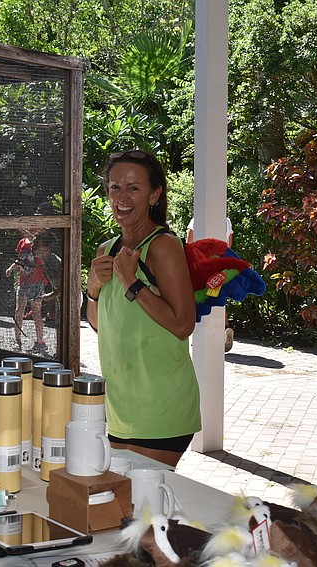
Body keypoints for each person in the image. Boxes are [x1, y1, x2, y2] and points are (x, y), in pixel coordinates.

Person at [85, 150, 200, 467]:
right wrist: (92, 290)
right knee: (127, 507)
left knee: (140, 505)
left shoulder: (163, 246)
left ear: (154, 194)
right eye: (114, 187)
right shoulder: (106, 249)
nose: (121, 197)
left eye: (133, 188)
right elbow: (98, 323)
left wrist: (133, 283)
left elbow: (183, 324)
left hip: (160, 406)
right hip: (121, 408)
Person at [186, 216, 235, 351]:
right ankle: (223, 330)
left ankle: (198, 335)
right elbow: (228, 246)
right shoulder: (226, 221)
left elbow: (189, 244)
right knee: (218, 298)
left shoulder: (196, 220)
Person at [6, 227, 48, 353]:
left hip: (37, 282)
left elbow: (42, 260)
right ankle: (17, 340)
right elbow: (20, 260)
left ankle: (40, 341)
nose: (30, 229)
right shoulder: (22, 243)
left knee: (36, 312)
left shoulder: (38, 243)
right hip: (23, 282)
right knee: (19, 311)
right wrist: (11, 268)